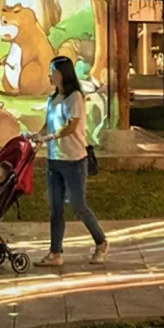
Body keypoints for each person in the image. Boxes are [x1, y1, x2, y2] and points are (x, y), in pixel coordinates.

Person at [31, 57, 106, 267]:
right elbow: (48, 123)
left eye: (53, 70)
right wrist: (38, 137)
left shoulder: (74, 98)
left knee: (78, 205)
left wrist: (49, 138)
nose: (50, 74)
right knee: (55, 209)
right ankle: (55, 252)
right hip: (54, 160)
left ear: (63, 73)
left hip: (74, 160)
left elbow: (71, 127)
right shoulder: (53, 98)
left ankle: (101, 242)